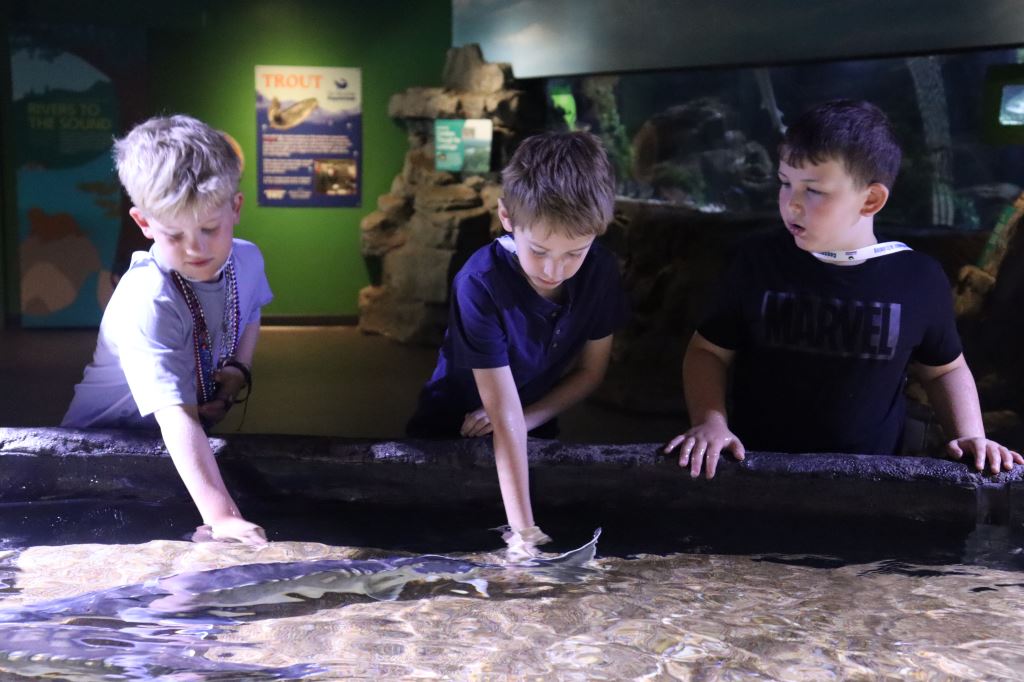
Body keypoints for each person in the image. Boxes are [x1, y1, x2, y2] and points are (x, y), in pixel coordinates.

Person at [664, 99, 1022, 479]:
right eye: (785, 183)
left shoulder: (917, 278)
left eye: (814, 190)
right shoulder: (756, 262)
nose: (792, 204)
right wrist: (711, 423)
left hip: (871, 480)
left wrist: (970, 436)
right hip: (755, 471)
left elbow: (945, 370)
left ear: (871, 199)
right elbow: (708, 352)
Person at [407, 131, 630, 557]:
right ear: (507, 216)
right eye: (540, 250)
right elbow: (501, 410)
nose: (555, 269)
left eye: (574, 253)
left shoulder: (600, 270)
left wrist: (530, 419)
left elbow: (591, 372)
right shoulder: (479, 283)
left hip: (530, 426)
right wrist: (524, 533)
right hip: (450, 427)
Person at [63, 114, 273, 544]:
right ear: (144, 223)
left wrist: (236, 371)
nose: (196, 248)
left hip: (183, 442)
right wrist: (223, 516)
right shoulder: (149, 298)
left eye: (210, 228)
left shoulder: (248, 260)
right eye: (174, 234)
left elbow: (252, 309)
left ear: (235, 207)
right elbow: (176, 418)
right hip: (97, 454)